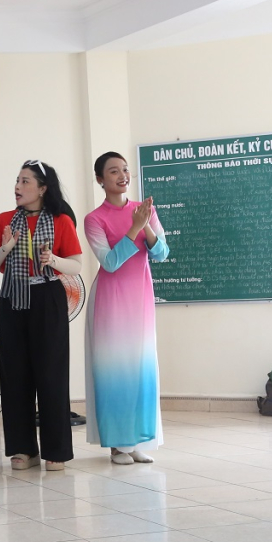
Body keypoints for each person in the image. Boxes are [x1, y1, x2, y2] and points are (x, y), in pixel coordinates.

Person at [0, 160, 83, 472]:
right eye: (17, 180)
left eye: (25, 181)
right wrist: (6, 247)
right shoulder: (3, 221)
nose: (18, 186)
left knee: (52, 374)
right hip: (11, 297)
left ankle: (56, 450)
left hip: (47, 295)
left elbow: (76, 264)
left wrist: (53, 259)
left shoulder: (61, 220)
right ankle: (23, 448)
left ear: (42, 188)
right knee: (14, 374)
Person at [84, 152, 169, 464]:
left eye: (125, 170)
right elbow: (110, 262)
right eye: (113, 171)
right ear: (100, 179)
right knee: (114, 369)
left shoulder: (145, 210)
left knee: (140, 367)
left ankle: (135, 440)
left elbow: (161, 253)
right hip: (111, 300)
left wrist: (145, 225)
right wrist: (134, 228)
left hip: (140, 296)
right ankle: (117, 444)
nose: (122, 176)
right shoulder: (94, 219)